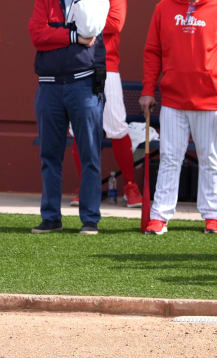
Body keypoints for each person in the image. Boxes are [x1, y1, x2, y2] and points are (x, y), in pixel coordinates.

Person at [140, 0, 217, 235]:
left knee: (209, 158)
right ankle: (159, 215)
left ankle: (212, 215)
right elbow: (152, 51)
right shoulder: (163, 7)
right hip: (173, 99)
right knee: (169, 158)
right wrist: (148, 90)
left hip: (211, 99)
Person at [29, 0, 108, 235]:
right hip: (49, 86)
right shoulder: (45, 1)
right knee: (49, 155)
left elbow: (91, 35)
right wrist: (74, 37)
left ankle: (90, 219)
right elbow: (37, 35)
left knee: (89, 154)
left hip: (84, 84)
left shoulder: (93, 2)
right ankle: (51, 217)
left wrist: (58, 34)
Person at [68, 0, 142, 209]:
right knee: (78, 127)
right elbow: (64, 22)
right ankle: (86, 186)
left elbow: (114, 24)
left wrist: (82, 25)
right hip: (78, 64)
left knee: (116, 127)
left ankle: (129, 185)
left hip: (106, 67)